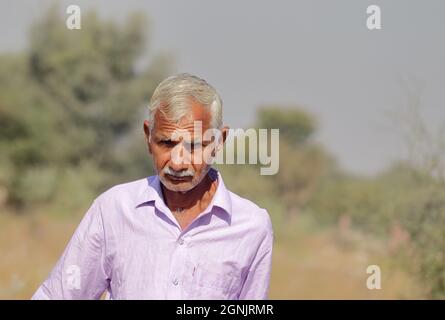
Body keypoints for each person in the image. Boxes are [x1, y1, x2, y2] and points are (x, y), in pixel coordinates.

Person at [31, 73, 273, 299]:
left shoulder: (251, 227)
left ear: (219, 142)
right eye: (166, 143)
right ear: (148, 136)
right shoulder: (114, 210)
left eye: (194, 146)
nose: (178, 162)